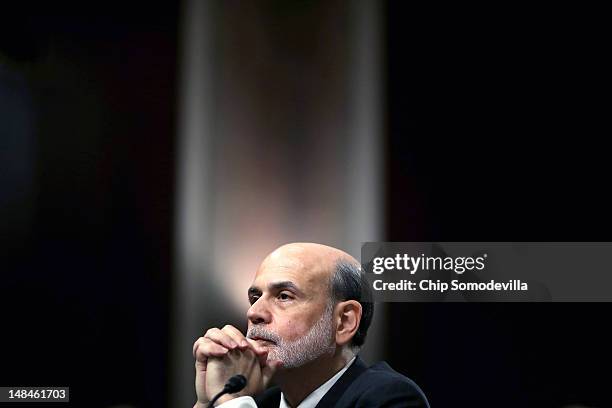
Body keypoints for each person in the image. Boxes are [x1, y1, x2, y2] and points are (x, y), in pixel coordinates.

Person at [193, 243, 429, 407]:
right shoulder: (257, 401)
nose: (253, 312)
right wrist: (206, 403)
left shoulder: (389, 398)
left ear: (344, 322)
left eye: (284, 296)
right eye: (255, 298)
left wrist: (233, 404)